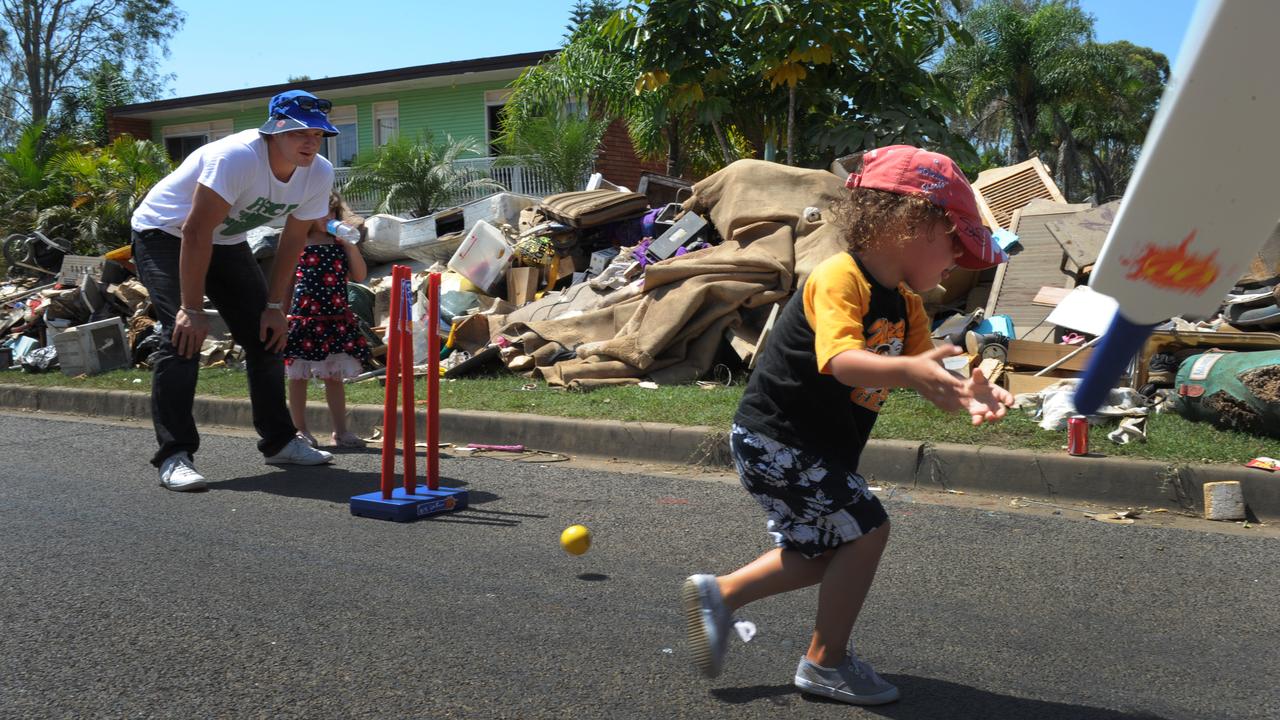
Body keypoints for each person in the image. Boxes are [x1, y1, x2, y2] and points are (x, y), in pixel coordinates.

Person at [681, 145, 1015, 705]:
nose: (960, 255)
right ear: (910, 222)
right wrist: (909, 368)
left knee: (823, 553)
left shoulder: (907, 304)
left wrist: (969, 390)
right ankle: (824, 662)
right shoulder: (840, 277)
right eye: (954, 237)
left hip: (815, 448)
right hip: (778, 439)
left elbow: (932, 374)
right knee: (867, 529)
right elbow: (840, 360)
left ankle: (721, 595)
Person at [130, 90, 343, 491]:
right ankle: (175, 455)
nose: (310, 142)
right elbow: (194, 231)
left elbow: (294, 240)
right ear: (274, 131)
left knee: (267, 336)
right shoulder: (237, 156)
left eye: (317, 134)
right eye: (299, 132)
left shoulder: (319, 172)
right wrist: (191, 309)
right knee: (182, 340)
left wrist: (276, 305)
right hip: (165, 232)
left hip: (225, 241)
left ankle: (280, 441)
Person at [284, 192, 372, 448]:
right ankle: (300, 429)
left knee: (333, 376)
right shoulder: (298, 240)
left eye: (332, 213)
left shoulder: (340, 244)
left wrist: (350, 245)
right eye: (322, 212)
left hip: (334, 318)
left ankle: (341, 431)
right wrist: (281, 312)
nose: (328, 218)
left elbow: (360, 275)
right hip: (303, 318)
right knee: (297, 376)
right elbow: (287, 280)